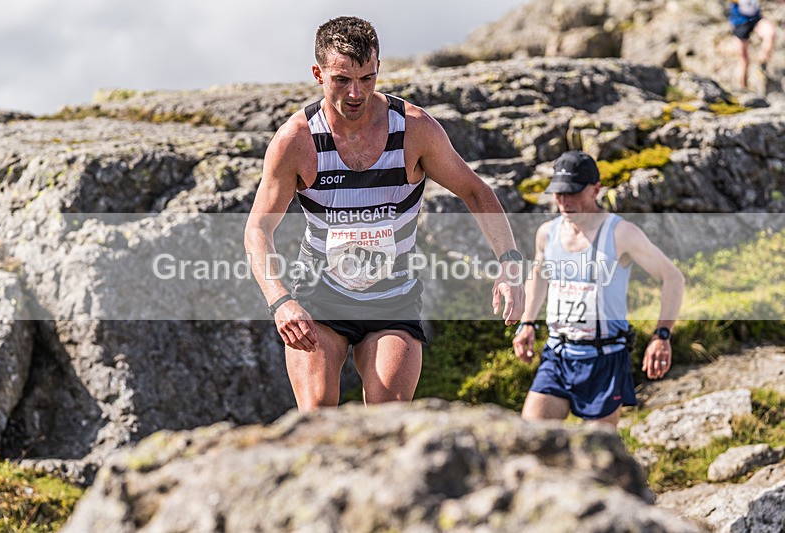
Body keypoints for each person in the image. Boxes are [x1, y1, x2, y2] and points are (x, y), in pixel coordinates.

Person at [245, 16, 525, 412]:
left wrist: (509, 263)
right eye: (342, 80)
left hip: (392, 300)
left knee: (387, 418)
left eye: (367, 78)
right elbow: (258, 228)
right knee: (317, 415)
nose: (355, 93)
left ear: (378, 70)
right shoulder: (297, 140)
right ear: (318, 74)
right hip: (319, 298)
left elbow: (475, 191)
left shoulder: (414, 130)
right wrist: (280, 300)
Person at [513, 151, 685, 428]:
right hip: (558, 354)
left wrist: (662, 335)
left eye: (572, 192)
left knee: (596, 455)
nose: (565, 201)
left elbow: (673, 278)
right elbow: (540, 274)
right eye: (559, 193)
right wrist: (527, 323)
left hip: (604, 360)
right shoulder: (547, 232)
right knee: (529, 439)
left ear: (595, 189)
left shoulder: (621, 234)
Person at [727, 0, 777, 89]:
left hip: (755, 20)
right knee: (744, 60)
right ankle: (743, 88)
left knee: (771, 33)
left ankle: (763, 62)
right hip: (740, 23)